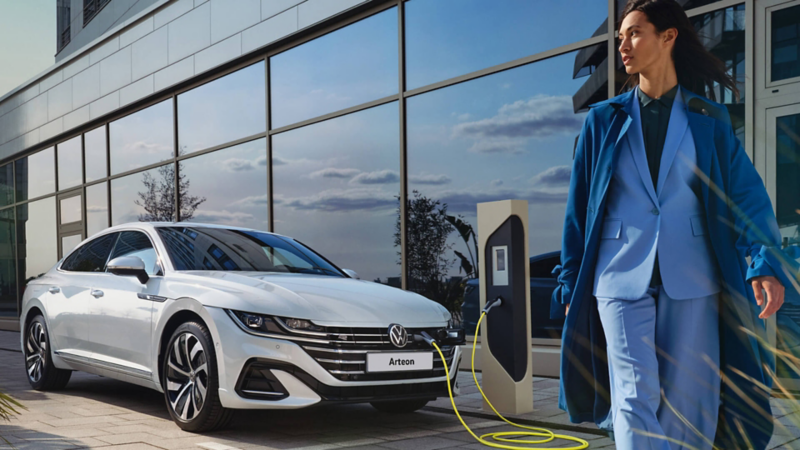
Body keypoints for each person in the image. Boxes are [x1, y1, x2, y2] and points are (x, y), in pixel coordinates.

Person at [550, 0, 798, 448]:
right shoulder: (604, 120)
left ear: (668, 37)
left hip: (695, 275)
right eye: (621, 36)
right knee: (633, 395)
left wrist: (762, 261)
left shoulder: (710, 119)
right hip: (618, 275)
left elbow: (745, 196)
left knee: (692, 399)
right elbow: (579, 208)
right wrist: (571, 285)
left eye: (634, 33)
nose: (622, 44)